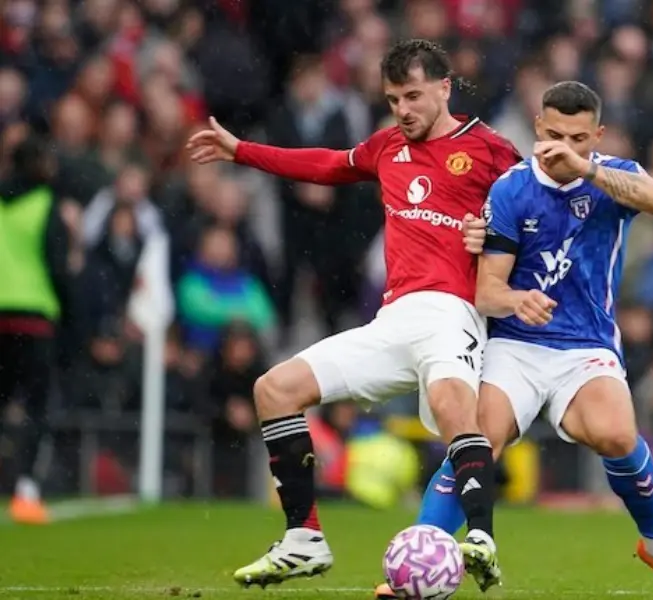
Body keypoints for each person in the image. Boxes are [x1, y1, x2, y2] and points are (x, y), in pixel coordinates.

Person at [185, 39, 521, 591]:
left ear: (444, 88)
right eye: (393, 100)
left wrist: (496, 238)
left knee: (453, 408)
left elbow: (534, 216)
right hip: (392, 320)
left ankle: (481, 539)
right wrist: (241, 150)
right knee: (274, 389)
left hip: (452, 313)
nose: (403, 110)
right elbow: (326, 165)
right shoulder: (387, 147)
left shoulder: (491, 150)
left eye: (413, 96)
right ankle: (304, 539)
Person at [375, 81, 653, 600]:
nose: (563, 147)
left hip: (586, 344)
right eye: (554, 135)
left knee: (617, 435)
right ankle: (416, 563)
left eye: (578, 139)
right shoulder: (512, 189)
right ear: (538, 127)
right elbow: (488, 291)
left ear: (597, 136)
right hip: (516, 345)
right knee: (477, 440)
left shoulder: (614, 177)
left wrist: (587, 170)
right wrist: (516, 300)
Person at [0, 135, 71, 524]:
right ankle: (26, 490)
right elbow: (58, 267)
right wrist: (71, 318)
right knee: (37, 408)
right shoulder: (45, 203)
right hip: (33, 319)